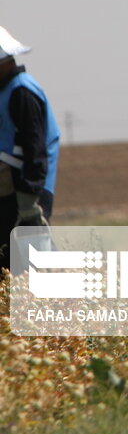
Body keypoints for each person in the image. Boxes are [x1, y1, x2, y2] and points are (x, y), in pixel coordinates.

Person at [0, 27, 59, 270]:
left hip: (25, 192)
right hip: (10, 191)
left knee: (31, 266)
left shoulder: (21, 91)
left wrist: (29, 202)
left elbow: (35, 149)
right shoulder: (7, 90)